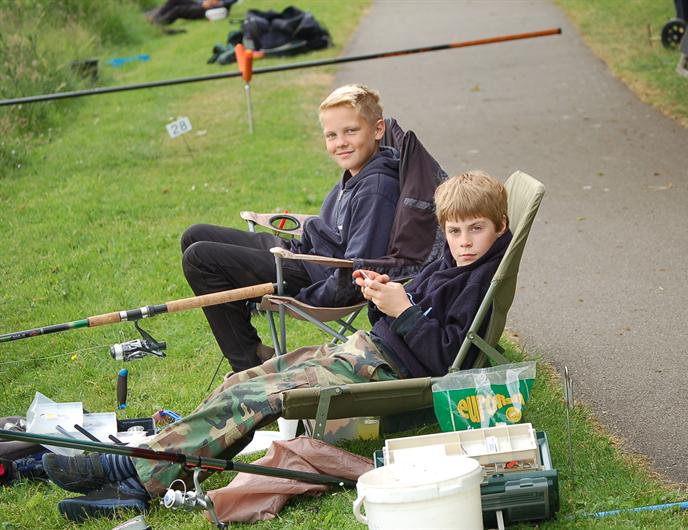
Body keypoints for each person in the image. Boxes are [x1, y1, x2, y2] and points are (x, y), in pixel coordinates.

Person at [43, 171, 512, 522]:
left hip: (384, 371)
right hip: (366, 350)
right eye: (454, 231)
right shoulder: (450, 264)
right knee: (244, 379)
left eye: (476, 229)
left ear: (500, 225)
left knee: (255, 398)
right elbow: (407, 316)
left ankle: (128, 473)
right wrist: (383, 296)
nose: (464, 242)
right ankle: (142, 472)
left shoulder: (478, 281)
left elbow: (442, 357)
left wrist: (402, 310)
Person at [181, 84, 400, 371]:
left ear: (378, 129)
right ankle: (251, 349)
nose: (341, 143)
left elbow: (358, 268)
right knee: (195, 235)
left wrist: (305, 297)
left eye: (351, 131)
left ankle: (248, 364)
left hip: (318, 276)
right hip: (306, 256)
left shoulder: (377, 188)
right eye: (332, 135)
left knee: (200, 258)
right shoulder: (358, 172)